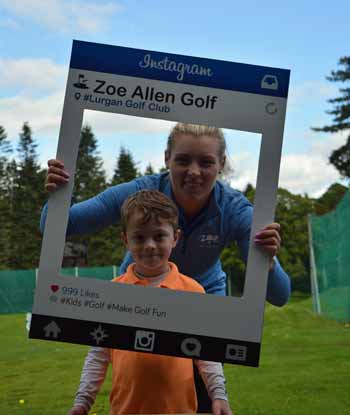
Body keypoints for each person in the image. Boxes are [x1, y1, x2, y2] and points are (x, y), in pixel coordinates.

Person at [43, 123, 291, 412]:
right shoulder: (141, 194)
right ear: (167, 159)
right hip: (138, 296)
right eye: (183, 160)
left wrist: (267, 262)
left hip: (201, 300)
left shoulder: (235, 209)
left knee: (200, 392)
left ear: (221, 164)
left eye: (206, 162)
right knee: (139, 382)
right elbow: (56, 227)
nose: (194, 172)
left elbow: (279, 295)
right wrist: (60, 192)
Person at [67, 190, 232, 415]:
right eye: (140, 237)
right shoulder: (113, 292)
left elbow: (206, 353)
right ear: (126, 239)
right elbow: (98, 354)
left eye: (159, 236)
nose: (150, 245)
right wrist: (82, 402)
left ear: (175, 237)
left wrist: (218, 394)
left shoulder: (192, 291)